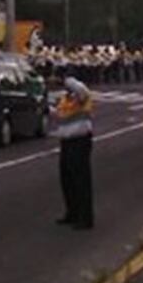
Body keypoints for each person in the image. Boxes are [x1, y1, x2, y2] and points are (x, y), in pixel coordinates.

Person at [52, 78, 95, 230]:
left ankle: (85, 217)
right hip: (66, 142)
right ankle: (72, 212)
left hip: (80, 141)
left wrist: (66, 80)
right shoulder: (65, 99)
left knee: (80, 180)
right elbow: (59, 114)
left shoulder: (82, 97)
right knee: (67, 179)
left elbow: (82, 90)